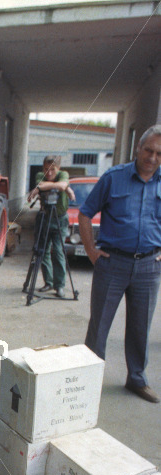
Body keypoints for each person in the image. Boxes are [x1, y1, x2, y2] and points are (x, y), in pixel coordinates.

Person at [79, 124, 161, 404]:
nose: (152, 157)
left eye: (159, 153)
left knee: (141, 327)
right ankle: (89, 383)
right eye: (148, 150)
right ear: (138, 148)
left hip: (149, 267)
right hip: (112, 263)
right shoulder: (114, 178)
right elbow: (85, 213)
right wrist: (91, 250)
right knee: (99, 325)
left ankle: (136, 378)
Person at [28, 155, 75, 298]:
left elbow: (52, 186)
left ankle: (59, 285)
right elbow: (44, 185)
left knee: (59, 252)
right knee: (43, 251)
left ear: (58, 168)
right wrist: (64, 188)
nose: (49, 173)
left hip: (60, 219)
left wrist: (62, 187)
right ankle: (48, 282)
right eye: (46, 169)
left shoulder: (63, 174)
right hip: (45, 217)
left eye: (52, 170)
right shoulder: (40, 175)